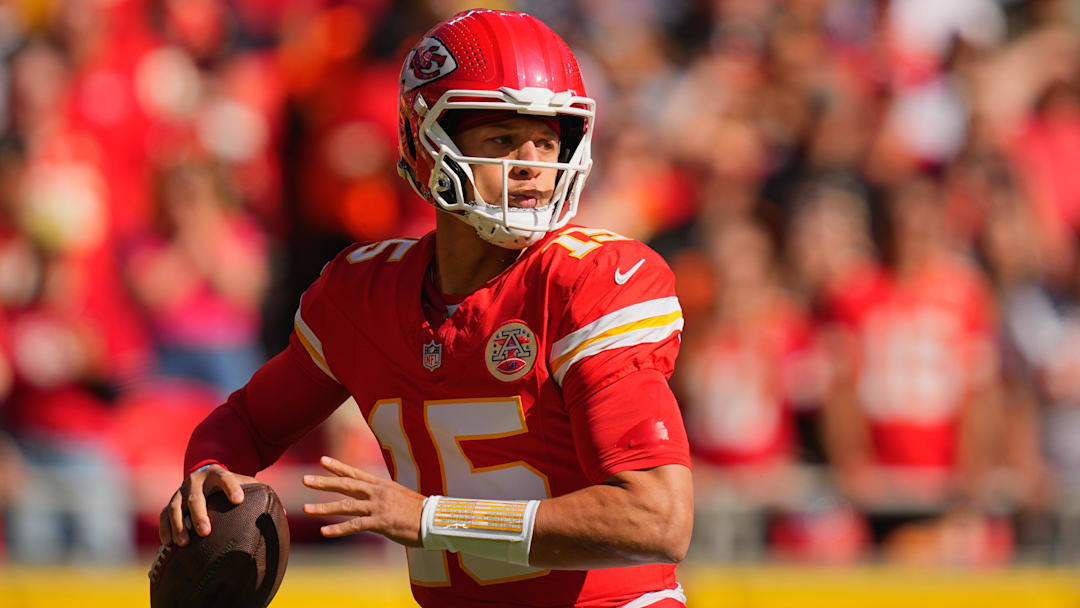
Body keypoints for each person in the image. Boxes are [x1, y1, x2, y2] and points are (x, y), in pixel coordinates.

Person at [159, 9, 693, 607]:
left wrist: (433, 519)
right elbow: (246, 424)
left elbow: (656, 518)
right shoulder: (363, 293)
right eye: (501, 140)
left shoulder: (587, 282)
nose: (533, 167)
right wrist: (209, 471)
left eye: (548, 141)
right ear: (426, 143)